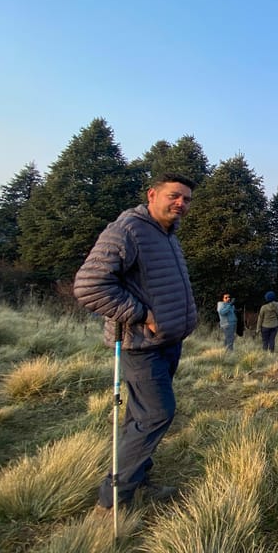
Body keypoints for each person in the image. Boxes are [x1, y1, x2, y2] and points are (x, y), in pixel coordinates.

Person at [74, 172, 198, 512]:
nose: (181, 203)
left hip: (167, 343)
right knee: (157, 414)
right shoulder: (128, 230)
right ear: (152, 194)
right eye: (174, 196)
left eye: (186, 199)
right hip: (141, 344)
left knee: (140, 416)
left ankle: (137, 479)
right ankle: (112, 502)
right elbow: (89, 286)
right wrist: (142, 315)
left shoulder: (167, 233)